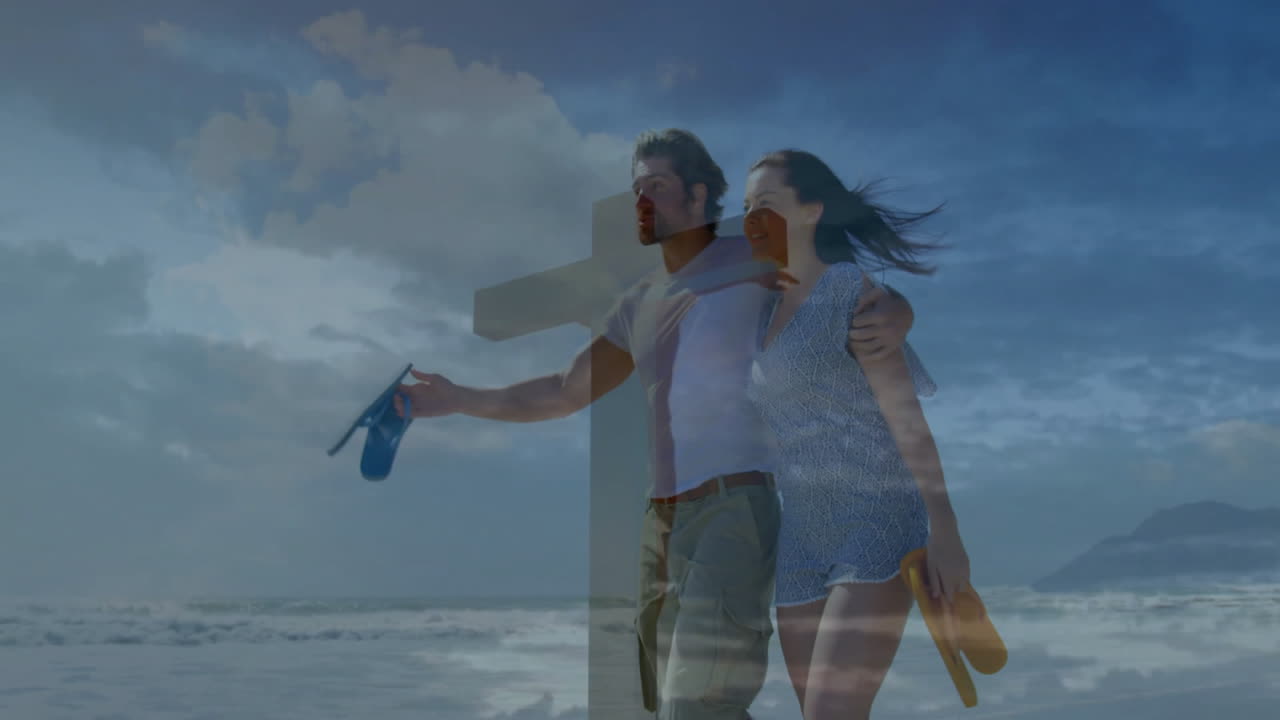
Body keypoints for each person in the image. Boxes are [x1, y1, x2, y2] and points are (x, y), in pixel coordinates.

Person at [394, 129, 917, 719]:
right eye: (635, 189)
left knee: (697, 704)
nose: (641, 202)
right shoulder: (638, 300)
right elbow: (564, 392)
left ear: (698, 196)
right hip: (661, 526)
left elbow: (833, 278)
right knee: (666, 704)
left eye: (657, 187)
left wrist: (897, 309)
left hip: (735, 507)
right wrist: (458, 398)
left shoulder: (750, 257)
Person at [740, 149, 970, 720]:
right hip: (800, 536)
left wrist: (946, 532)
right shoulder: (761, 310)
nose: (750, 219)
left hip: (876, 521)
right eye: (745, 208)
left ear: (813, 210)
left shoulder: (851, 291)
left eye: (765, 205)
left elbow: (907, 418)